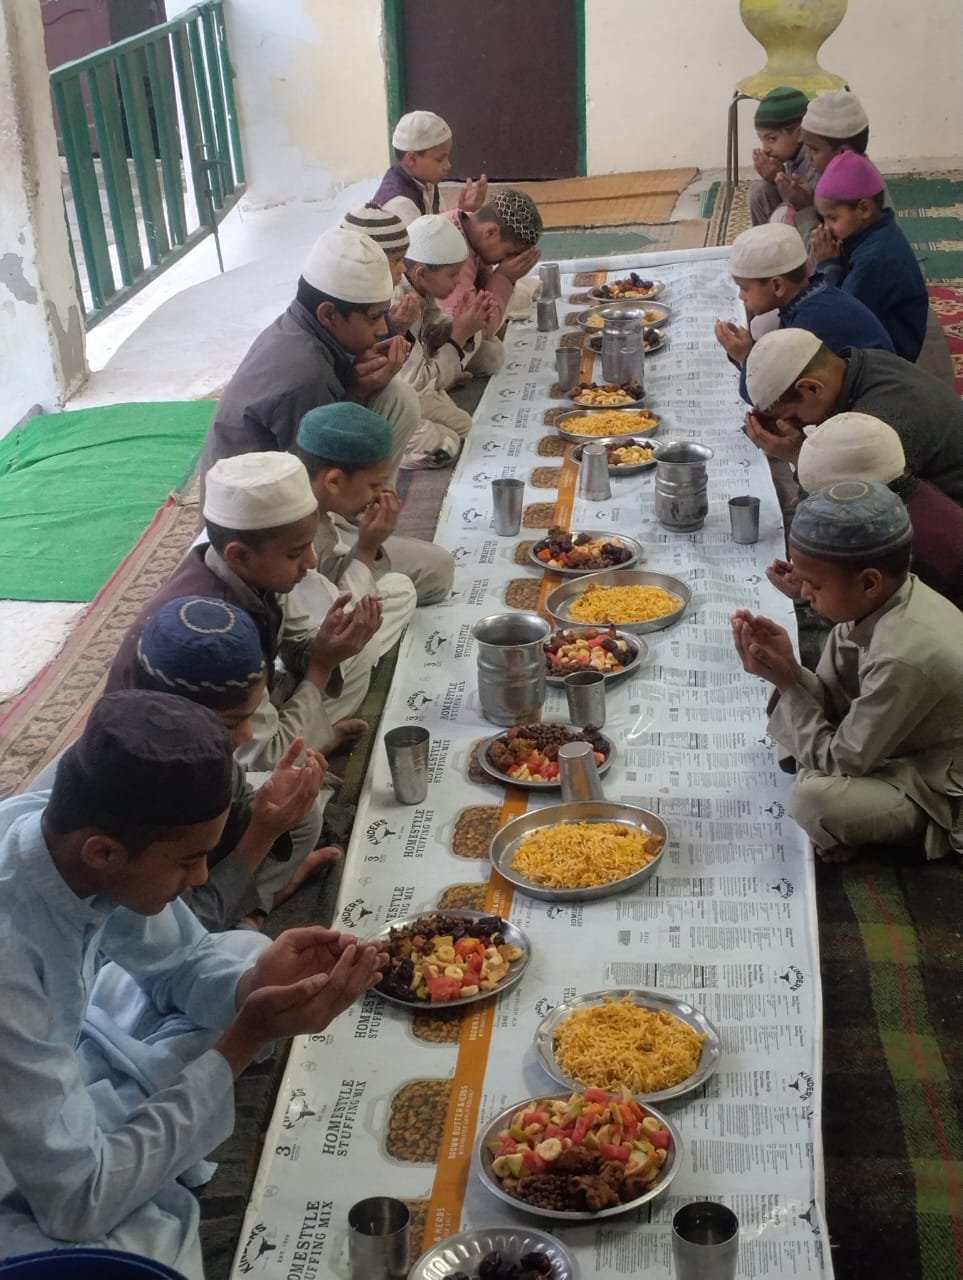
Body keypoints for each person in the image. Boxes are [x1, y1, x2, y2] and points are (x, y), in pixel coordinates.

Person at [0, 691, 385, 1274]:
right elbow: (77, 1204)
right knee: (138, 1249)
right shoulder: (12, 963)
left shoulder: (67, 833)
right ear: (103, 852)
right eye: (187, 863)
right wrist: (243, 1040)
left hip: (51, 1053)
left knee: (242, 950)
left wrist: (253, 984)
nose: (203, 878)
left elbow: (187, 957)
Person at [731, 480, 963, 862]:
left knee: (812, 800)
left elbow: (843, 761)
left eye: (815, 584)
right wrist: (786, 669)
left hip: (932, 778)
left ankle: (926, 830)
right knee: (794, 723)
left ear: (869, 582)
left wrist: (789, 684)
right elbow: (833, 698)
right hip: (884, 744)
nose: (804, 594)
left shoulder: (905, 653)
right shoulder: (871, 606)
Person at [107, 452, 383, 772]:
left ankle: (309, 735)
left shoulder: (249, 572)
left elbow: (296, 643)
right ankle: (311, 739)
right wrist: (321, 666)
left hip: (244, 707)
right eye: (296, 552)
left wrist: (330, 641)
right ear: (239, 555)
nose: (310, 562)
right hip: (168, 767)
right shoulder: (215, 632)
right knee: (298, 802)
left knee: (361, 649)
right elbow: (259, 755)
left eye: (309, 546)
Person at [133, 596, 340, 929]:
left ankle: (255, 902)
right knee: (235, 946)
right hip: (174, 916)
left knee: (302, 810)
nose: (246, 735)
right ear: (175, 715)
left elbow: (241, 796)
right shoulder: (146, 791)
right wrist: (262, 834)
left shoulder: (195, 744)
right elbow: (187, 927)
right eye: (231, 723)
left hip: (201, 861)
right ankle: (254, 910)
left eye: (250, 716)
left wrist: (271, 805)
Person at [198, 227, 417, 485]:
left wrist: (356, 381)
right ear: (328, 314)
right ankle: (358, 520)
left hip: (275, 486)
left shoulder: (298, 326)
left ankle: (362, 510)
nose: (382, 329)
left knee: (396, 398)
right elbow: (318, 477)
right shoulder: (304, 374)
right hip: (255, 514)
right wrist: (357, 390)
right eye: (373, 318)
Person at [767, 414, 963, 610]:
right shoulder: (912, 496)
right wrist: (817, 579)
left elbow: (881, 622)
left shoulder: (895, 542)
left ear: (853, 494)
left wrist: (814, 592)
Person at [743, 329, 963, 502]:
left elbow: (845, 515)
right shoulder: (866, 362)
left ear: (811, 388)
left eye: (794, 416)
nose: (795, 424)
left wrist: (798, 456)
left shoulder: (879, 423)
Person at [291, 403, 446, 636]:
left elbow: (332, 574)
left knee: (402, 589)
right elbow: (336, 627)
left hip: (324, 595)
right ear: (333, 481)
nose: (381, 492)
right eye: (373, 485)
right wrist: (367, 547)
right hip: (310, 642)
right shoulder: (293, 532)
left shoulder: (316, 503)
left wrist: (368, 545)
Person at [715, 222, 893, 400]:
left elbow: (767, 397)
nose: (741, 296)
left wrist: (744, 356)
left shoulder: (806, 326)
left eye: (744, 288)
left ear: (777, 286)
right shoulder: (818, 293)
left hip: (876, 401)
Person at [394, 212, 494, 468]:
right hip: (393, 397)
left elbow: (433, 333)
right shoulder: (399, 305)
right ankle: (389, 449)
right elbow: (415, 381)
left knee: (463, 424)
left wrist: (467, 325)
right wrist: (459, 334)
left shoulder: (419, 289)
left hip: (414, 383)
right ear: (422, 274)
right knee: (445, 445)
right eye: (452, 276)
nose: (458, 282)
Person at [811, 151, 929, 361]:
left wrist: (828, 266)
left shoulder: (876, 256)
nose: (826, 228)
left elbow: (840, 316)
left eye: (832, 218)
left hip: (889, 358)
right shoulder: (869, 235)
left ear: (864, 209)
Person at [432, 189, 543, 376]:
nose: (503, 261)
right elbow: (477, 327)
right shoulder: (454, 249)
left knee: (520, 296)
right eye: (508, 254)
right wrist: (505, 278)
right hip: (425, 336)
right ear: (491, 232)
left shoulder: (467, 226)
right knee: (491, 355)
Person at [372, 109, 488, 226]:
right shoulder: (399, 204)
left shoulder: (425, 182)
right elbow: (429, 242)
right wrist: (462, 218)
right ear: (411, 159)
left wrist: (464, 212)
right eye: (439, 159)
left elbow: (440, 227)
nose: (448, 165)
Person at [339, 203, 423, 340]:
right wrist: (395, 329)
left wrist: (395, 326)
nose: (403, 269)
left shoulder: (378, 296)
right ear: (367, 262)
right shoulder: (345, 311)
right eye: (396, 260)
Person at [747, 86, 817, 227]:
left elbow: (812, 210)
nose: (765, 149)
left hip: (815, 231)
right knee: (759, 192)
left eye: (772, 139)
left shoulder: (815, 159)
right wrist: (776, 177)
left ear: (799, 134)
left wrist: (779, 177)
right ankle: (764, 245)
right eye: (762, 140)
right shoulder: (792, 155)